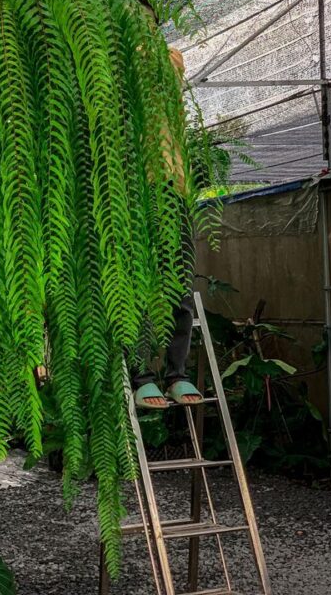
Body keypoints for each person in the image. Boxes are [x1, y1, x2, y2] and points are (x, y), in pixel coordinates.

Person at [134, 47, 203, 409]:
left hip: (175, 190)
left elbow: (170, 63)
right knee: (138, 288)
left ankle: (177, 373)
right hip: (134, 194)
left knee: (180, 288)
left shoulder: (167, 58)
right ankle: (141, 375)